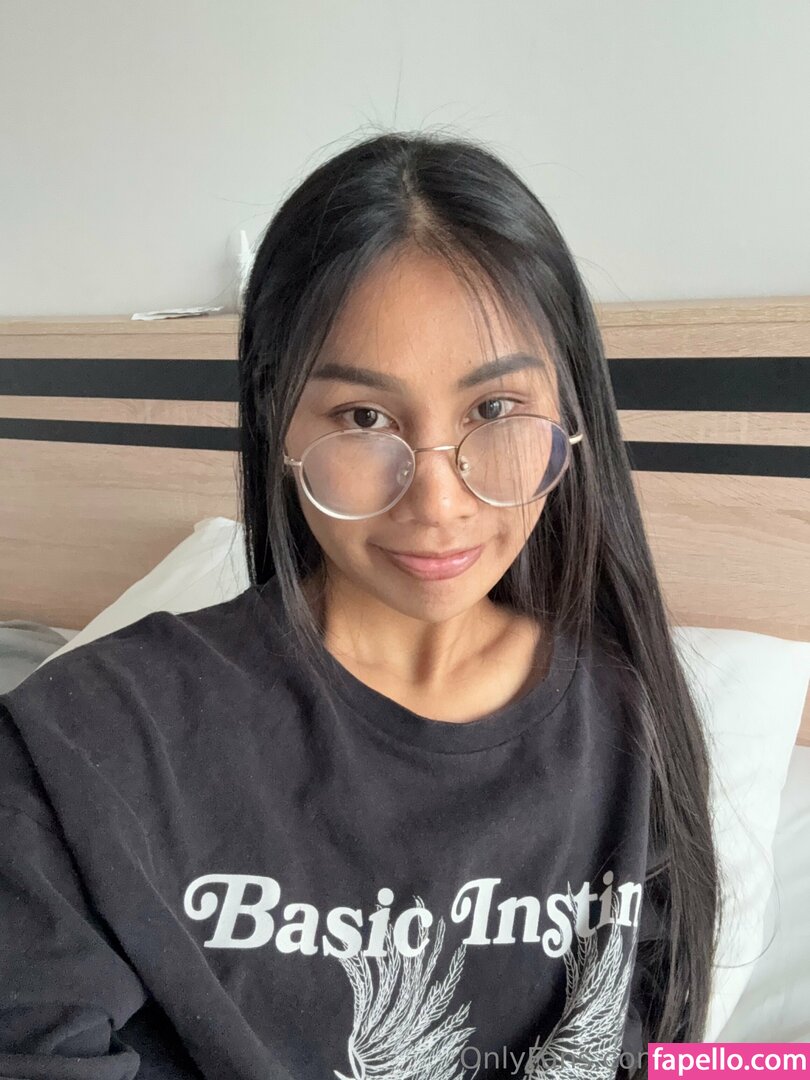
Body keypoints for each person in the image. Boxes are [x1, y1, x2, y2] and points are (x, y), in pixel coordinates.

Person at [0, 130, 721, 1080]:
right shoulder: (84, 746)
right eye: (364, 417)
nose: (438, 501)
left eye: (495, 410)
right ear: (278, 418)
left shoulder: (634, 720)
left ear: (570, 409)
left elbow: (675, 1055)